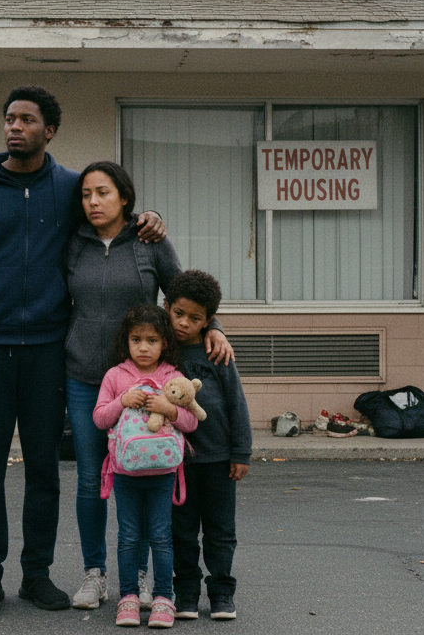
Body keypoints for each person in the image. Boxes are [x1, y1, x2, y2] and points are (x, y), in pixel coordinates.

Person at [0, 86, 166, 616]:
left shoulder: (68, 190)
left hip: (46, 352)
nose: (15, 127)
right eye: (9, 119)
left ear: (49, 131)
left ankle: (36, 573)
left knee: (42, 466)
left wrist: (148, 218)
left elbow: (111, 217)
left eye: (27, 120)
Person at [64, 161, 233, 611]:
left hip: (144, 385)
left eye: (103, 193)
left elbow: (183, 292)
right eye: (85, 195)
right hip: (86, 378)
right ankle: (95, 573)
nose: (93, 202)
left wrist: (213, 325)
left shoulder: (149, 240)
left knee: (140, 473)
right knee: (89, 478)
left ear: (124, 197)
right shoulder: (73, 241)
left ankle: (137, 575)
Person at [92, 305, 198, 629]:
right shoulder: (115, 375)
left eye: (152, 340)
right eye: (136, 339)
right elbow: (99, 418)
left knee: (161, 536)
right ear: (126, 341)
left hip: (163, 474)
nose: (143, 347)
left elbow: (191, 421)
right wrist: (122, 400)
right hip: (125, 472)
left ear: (164, 342)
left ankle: (164, 599)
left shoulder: (173, 376)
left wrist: (168, 408)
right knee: (128, 537)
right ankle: (129, 598)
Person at [164, 270, 252, 621]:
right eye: (178, 314)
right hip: (174, 462)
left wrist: (241, 452)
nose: (184, 323)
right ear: (167, 308)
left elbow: (236, 403)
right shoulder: (161, 351)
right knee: (181, 531)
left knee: (220, 531)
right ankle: (185, 591)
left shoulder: (217, 352)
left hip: (218, 459)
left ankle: (221, 593)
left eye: (195, 318)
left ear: (208, 321)